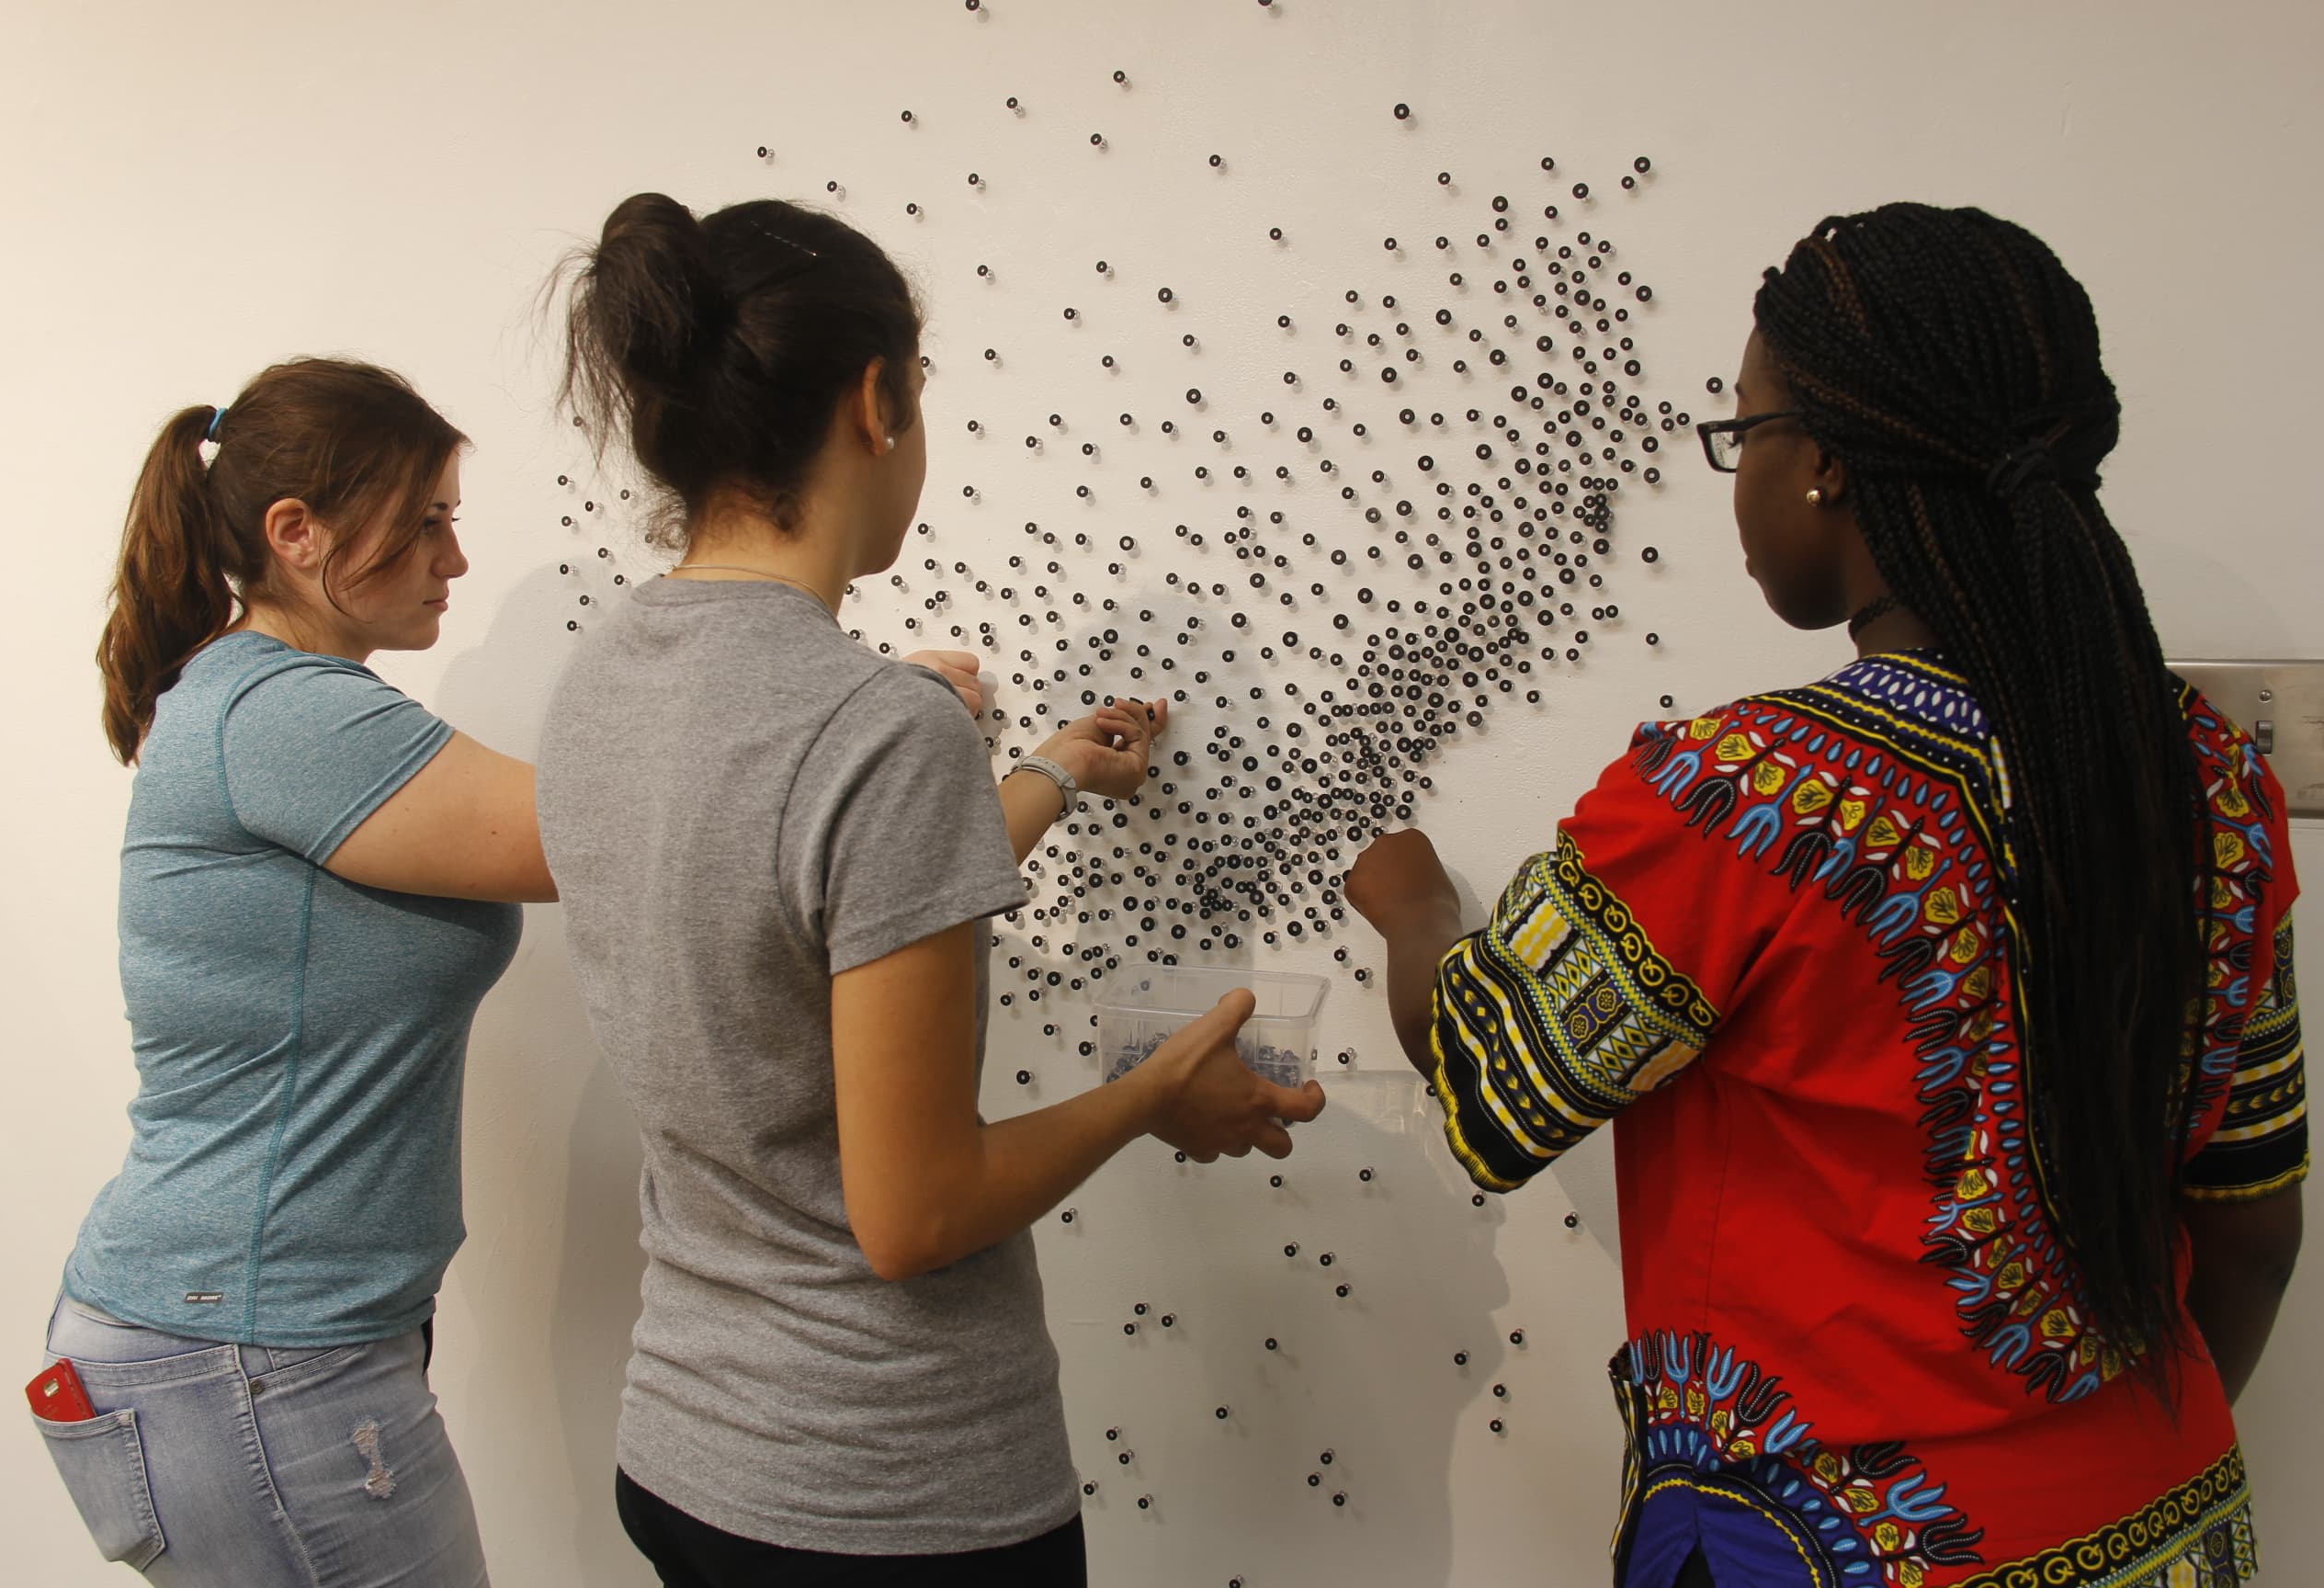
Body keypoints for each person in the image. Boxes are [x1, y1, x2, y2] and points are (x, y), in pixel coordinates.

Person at [1347, 204, 2304, 1588]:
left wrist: (1415, 904)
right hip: (2169, 1523)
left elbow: (1487, 1064)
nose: (1735, 479)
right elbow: (2256, 1230)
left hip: (1849, 1546)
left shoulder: (1751, 801)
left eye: (1744, 433)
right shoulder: (2206, 780)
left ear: (1828, 470)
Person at [536, 192, 1329, 1588]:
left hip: (685, 1453)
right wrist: (1156, 1096)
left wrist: (1049, 775)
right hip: (886, 1496)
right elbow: (916, 1214)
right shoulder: (874, 728)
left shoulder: (606, 680)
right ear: (877, 399)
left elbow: (801, 911)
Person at [37, 358, 555, 1587]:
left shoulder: (269, 703)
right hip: (247, 1359)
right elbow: (599, 833)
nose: (454, 557)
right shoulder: (283, 717)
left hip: (249, 1345)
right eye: (428, 519)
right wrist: (843, 726)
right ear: (297, 534)